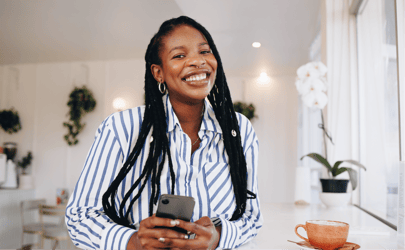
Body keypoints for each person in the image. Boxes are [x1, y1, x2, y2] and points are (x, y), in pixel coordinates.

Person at [65, 16, 262, 250]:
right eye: (180, 55)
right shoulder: (121, 127)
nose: (197, 62)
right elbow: (80, 216)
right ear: (158, 73)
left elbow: (251, 217)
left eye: (205, 51)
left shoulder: (239, 130)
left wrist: (217, 237)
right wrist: (133, 241)